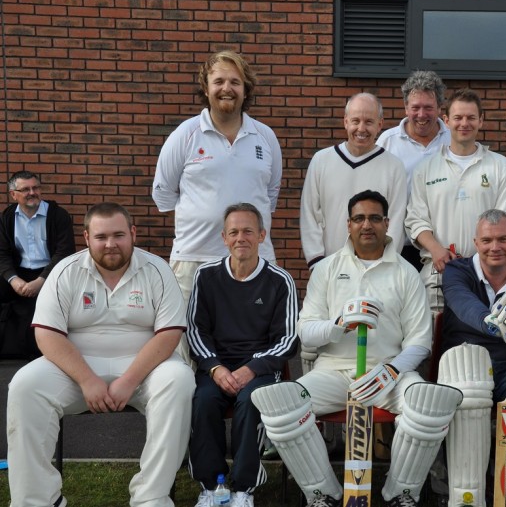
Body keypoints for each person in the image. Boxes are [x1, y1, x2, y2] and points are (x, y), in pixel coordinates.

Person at [251, 190, 462, 507]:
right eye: (359, 218)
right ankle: (323, 493)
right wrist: (338, 324)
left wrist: (390, 371)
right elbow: (306, 334)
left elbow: (419, 341)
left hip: (389, 375)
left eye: (375, 218)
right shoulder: (327, 269)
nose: (367, 225)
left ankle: (400, 493)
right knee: (281, 405)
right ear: (348, 224)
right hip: (333, 374)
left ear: (387, 224)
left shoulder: (405, 273)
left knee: (427, 404)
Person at [6, 202, 195, 507]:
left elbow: (170, 333)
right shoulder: (65, 272)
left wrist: (130, 380)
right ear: (86, 238)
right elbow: (46, 334)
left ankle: (151, 497)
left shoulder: (157, 270)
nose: (111, 244)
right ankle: (37, 499)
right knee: (25, 385)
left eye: (119, 235)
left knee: (180, 379)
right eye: (101, 236)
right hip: (76, 368)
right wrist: (87, 380)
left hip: (144, 367)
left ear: (133, 233)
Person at [437, 208, 506, 506]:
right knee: (470, 402)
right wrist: (494, 323)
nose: (495, 247)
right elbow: (463, 305)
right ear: (476, 242)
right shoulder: (457, 270)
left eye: (503, 239)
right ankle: (467, 497)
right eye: (487, 240)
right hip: (465, 361)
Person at [187, 203, 299, 507]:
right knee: (203, 401)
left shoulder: (280, 280)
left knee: (251, 401)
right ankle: (212, 487)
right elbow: (196, 330)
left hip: (260, 368)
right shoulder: (205, 276)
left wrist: (250, 369)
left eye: (248, 231)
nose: (241, 238)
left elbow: (288, 339)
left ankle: (243, 489)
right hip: (216, 366)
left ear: (262, 235)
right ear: (224, 237)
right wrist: (215, 368)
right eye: (234, 232)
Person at [152, 50, 282, 304]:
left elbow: (269, 194)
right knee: (184, 337)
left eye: (235, 82)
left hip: (255, 258)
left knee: (253, 336)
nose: (227, 88)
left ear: (246, 89)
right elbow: (163, 194)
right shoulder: (186, 134)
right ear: (206, 87)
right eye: (219, 81)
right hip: (193, 259)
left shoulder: (265, 137)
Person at [406, 88, 506, 312]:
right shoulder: (426, 168)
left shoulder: (499, 165)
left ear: (481, 121)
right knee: (434, 342)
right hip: (438, 272)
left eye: (471, 117)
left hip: (489, 273)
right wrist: (436, 249)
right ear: (446, 121)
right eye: (458, 117)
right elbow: (415, 220)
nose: (464, 123)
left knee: (484, 339)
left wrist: (486, 256)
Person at [300, 92, 407, 268]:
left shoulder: (393, 166)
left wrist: (385, 265)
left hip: (376, 269)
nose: (361, 128)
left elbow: (396, 220)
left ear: (380, 124)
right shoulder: (321, 160)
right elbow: (309, 214)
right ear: (346, 122)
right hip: (330, 267)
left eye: (369, 122)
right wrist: (316, 261)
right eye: (356, 121)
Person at [377, 70, 451, 269]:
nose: (421, 114)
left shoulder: (453, 140)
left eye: (428, 107)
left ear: (439, 108)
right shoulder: (387, 142)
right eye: (415, 107)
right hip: (399, 246)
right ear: (405, 107)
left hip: (445, 248)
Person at [0, 171, 75, 359]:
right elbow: (2, 254)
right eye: (25, 189)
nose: (32, 192)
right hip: (19, 273)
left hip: (51, 272)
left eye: (36, 187)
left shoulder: (58, 215)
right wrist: (13, 279)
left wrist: (41, 281)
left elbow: (64, 253)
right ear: (13, 195)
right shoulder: (7, 218)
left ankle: (53, 351)